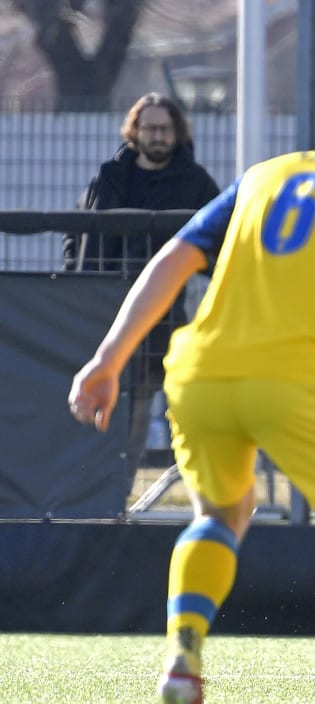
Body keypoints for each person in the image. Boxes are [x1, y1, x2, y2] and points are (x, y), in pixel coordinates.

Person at [68, 77, 315, 704]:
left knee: (221, 513)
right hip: (299, 382)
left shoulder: (263, 176)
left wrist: (107, 359)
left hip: (200, 372)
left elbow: (173, 259)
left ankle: (183, 665)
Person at [64, 92, 222, 483]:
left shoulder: (195, 182)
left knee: (154, 409)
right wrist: (73, 272)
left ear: (177, 132)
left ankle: (137, 495)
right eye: (150, 127)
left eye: (165, 128)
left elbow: (223, 239)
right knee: (105, 413)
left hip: (165, 320)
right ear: (135, 130)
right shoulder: (111, 176)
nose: (158, 135)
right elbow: (76, 230)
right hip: (102, 312)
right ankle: (95, 495)